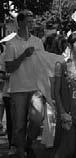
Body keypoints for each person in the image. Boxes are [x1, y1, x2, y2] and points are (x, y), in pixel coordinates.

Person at [4, 10, 45, 158]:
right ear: (20, 23)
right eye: (28, 21)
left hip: (36, 89)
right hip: (18, 90)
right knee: (19, 125)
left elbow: (43, 63)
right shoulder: (11, 44)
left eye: (32, 21)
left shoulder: (38, 41)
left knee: (37, 119)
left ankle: (29, 144)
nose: (31, 24)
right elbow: (9, 68)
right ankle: (21, 153)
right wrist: (23, 56)